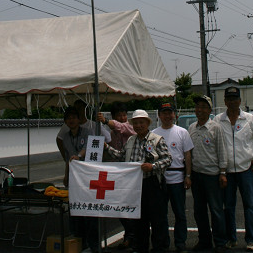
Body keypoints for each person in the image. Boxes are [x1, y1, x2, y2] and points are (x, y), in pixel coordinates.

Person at [105, 109, 172, 253]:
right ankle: (140, 247)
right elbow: (121, 156)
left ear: (147, 123)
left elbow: (168, 159)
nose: (138, 125)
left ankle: (160, 248)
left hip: (153, 183)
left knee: (157, 219)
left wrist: (153, 166)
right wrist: (106, 147)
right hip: (135, 186)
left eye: (141, 122)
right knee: (139, 219)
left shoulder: (156, 139)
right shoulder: (131, 140)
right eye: (135, 123)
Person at [215, 86, 253, 252]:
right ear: (225, 101)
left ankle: (252, 240)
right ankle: (231, 239)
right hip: (227, 172)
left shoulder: (250, 119)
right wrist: (220, 169)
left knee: (250, 206)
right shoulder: (218, 120)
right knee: (228, 207)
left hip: (247, 170)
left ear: (240, 101)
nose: (232, 102)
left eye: (235, 99)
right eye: (229, 99)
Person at [188, 95, 228, 253]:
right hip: (197, 175)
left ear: (210, 110)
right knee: (199, 211)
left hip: (212, 175)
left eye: (204, 107)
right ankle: (204, 240)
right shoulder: (191, 128)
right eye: (198, 106)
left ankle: (220, 242)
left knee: (216, 210)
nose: (200, 110)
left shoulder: (216, 128)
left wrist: (223, 172)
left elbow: (221, 151)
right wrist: (189, 175)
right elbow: (189, 154)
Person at [153, 103, 194, 253]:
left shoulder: (182, 132)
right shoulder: (154, 134)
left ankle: (180, 242)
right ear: (159, 115)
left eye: (170, 113)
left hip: (178, 177)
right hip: (160, 178)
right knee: (160, 214)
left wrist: (188, 175)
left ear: (174, 115)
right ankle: (163, 243)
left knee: (180, 213)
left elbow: (188, 155)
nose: (167, 116)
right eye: (164, 113)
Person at [97, 102, 136, 250]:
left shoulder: (130, 127)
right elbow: (111, 153)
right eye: (119, 115)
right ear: (114, 116)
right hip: (119, 175)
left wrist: (106, 121)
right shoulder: (112, 134)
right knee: (120, 206)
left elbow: (120, 126)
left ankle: (133, 237)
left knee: (132, 205)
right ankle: (130, 235)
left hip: (132, 174)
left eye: (124, 114)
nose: (122, 117)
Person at [61, 106, 98, 253]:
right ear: (65, 121)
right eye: (68, 118)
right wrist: (66, 175)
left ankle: (93, 245)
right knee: (76, 211)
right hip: (75, 178)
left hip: (88, 176)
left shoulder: (88, 132)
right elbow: (68, 157)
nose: (71, 120)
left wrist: (80, 155)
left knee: (89, 212)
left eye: (74, 117)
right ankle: (79, 242)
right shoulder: (65, 137)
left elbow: (86, 149)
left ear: (79, 119)